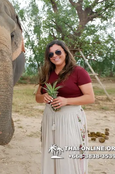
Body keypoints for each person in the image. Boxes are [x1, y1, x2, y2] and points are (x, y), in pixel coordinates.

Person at [35, 40, 95, 174]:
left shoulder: (78, 72)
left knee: (69, 153)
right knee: (53, 152)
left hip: (70, 118)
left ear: (65, 53)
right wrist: (43, 97)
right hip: (50, 118)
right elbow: (37, 97)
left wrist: (66, 101)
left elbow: (90, 97)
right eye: (51, 54)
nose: (54, 56)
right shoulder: (46, 73)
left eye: (58, 52)